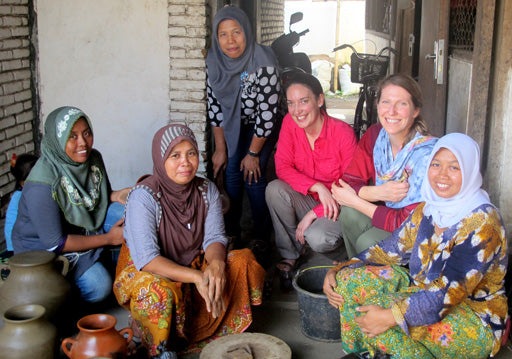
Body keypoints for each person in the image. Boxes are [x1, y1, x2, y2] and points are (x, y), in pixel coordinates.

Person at [323, 133, 508, 359]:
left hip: (473, 317)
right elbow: (389, 249)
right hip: (423, 292)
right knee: (349, 281)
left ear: (469, 172)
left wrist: (390, 316)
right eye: (436, 164)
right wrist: (340, 268)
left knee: (382, 317)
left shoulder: (483, 222)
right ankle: (365, 353)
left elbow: (447, 293)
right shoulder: (429, 209)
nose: (442, 175)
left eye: (454, 167)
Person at [113, 124, 265, 358]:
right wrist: (197, 277)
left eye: (191, 153)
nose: (185, 162)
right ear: (160, 158)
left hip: (193, 262)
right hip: (152, 272)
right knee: (155, 291)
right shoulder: (144, 196)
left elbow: (214, 237)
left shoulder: (207, 190)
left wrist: (215, 265)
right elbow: (148, 259)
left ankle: (221, 331)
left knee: (241, 260)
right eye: (175, 155)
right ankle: (161, 346)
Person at [12, 106, 130, 303]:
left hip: (82, 226)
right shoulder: (41, 185)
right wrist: (109, 239)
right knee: (99, 286)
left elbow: (93, 197)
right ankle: (59, 298)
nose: (83, 143)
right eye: (72, 136)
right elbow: (55, 243)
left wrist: (115, 195)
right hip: (46, 249)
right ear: (57, 140)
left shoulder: (93, 159)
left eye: (86, 133)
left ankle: (111, 262)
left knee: (128, 213)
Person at [265, 72, 357, 289]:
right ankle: (290, 254)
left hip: (339, 205)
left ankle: (348, 253)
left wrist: (312, 214)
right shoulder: (290, 123)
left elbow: (351, 186)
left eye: (304, 101)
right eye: (291, 103)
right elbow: (283, 167)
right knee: (274, 189)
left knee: (318, 237)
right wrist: (316, 186)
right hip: (309, 196)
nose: (297, 111)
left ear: (320, 100)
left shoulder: (342, 133)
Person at [331, 74, 437, 258]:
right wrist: (378, 193)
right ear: (378, 105)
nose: (392, 111)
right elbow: (346, 184)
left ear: (415, 110)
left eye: (402, 104)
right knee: (348, 213)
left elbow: (407, 221)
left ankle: (390, 277)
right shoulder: (375, 136)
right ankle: (359, 270)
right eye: (386, 102)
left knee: (368, 242)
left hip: (418, 230)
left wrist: (355, 199)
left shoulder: (426, 154)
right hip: (389, 215)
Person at [206, 5, 281, 256]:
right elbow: (215, 107)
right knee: (230, 174)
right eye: (223, 34)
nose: (230, 41)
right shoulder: (214, 61)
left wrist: (252, 153)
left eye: (236, 32)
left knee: (253, 176)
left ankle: (261, 236)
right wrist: (220, 149)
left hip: (261, 126)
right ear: (216, 38)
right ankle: (230, 232)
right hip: (232, 124)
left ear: (247, 32)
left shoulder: (263, 60)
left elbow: (267, 115)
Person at [4, 153, 38, 256]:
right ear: (23, 182)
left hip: (17, 244)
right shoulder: (22, 197)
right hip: (18, 249)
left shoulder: (20, 194)